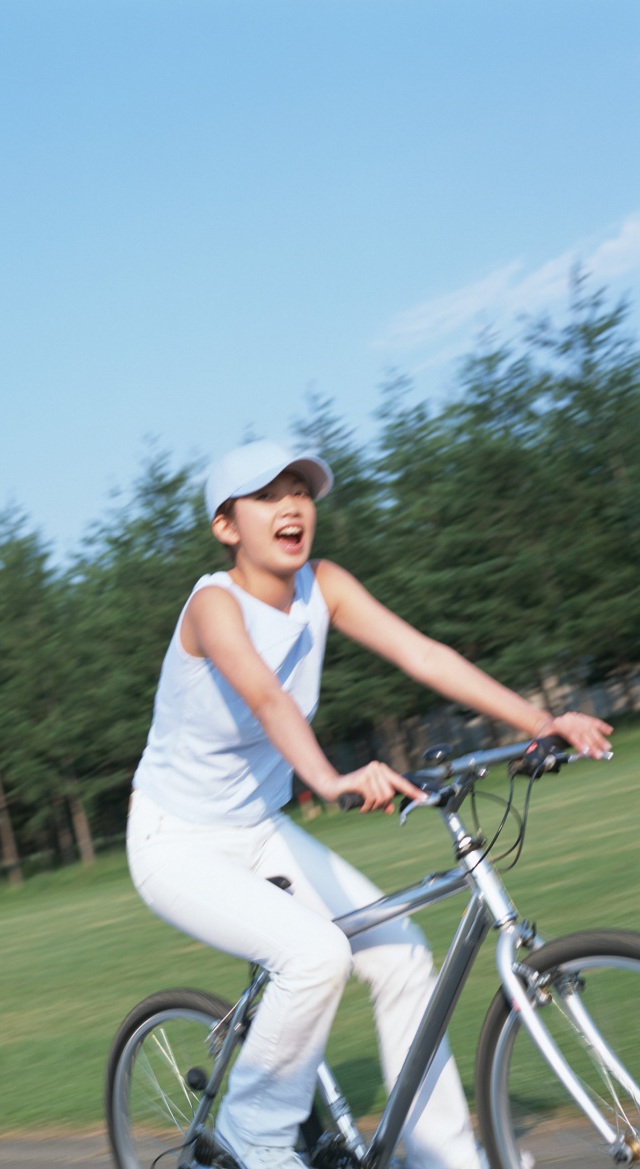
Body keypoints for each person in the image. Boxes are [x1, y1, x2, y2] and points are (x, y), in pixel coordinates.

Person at [127, 439, 612, 1169]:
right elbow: (263, 692)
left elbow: (423, 654)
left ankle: (445, 1158)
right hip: (175, 842)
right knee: (314, 951)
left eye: (302, 490)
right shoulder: (212, 606)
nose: (293, 505)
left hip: (258, 829)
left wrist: (539, 722)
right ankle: (253, 1134)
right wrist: (328, 776)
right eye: (268, 495)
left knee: (401, 954)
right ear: (227, 526)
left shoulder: (323, 584)